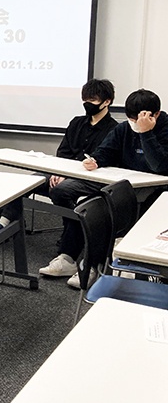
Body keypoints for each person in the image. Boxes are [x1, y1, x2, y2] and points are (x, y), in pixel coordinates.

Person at [29, 80, 119, 285]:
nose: (87, 104)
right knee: (29, 182)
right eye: (85, 99)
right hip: (63, 173)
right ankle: (3, 226)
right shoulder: (77, 123)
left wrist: (69, 175)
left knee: (62, 192)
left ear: (107, 102)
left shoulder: (114, 129)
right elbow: (63, 153)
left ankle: (70, 248)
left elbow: (101, 162)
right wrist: (57, 171)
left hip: (87, 179)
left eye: (92, 100)